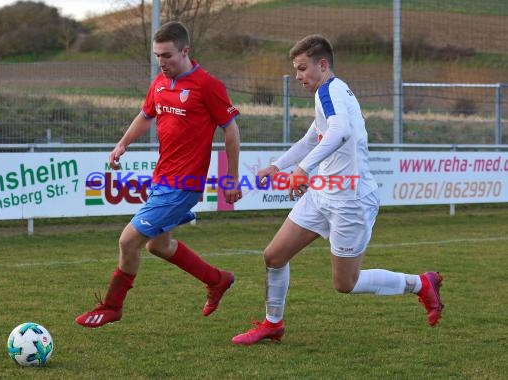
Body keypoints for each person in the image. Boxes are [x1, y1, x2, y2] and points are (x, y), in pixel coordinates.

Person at [231, 35, 444, 345]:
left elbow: (341, 132)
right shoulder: (330, 94)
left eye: (303, 68)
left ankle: (420, 284)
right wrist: (278, 166)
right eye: (296, 69)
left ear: (323, 64)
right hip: (323, 193)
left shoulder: (331, 91)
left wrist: (303, 170)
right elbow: (311, 140)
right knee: (274, 256)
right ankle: (272, 324)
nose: (298, 76)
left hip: (350, 200)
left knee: (346, 283)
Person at [76, 21, 242, 328]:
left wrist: (230, 178)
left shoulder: (207, 85)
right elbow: (145, 115)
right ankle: (217, 280)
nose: (162, 63)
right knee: (159, 245)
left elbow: (231, 131)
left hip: (184, 185)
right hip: (162, 180)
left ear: (185, 51)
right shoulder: (160, 83)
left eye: (167, 56)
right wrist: (122, 144)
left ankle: (112, 306)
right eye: (157, 57)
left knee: (128, 242)